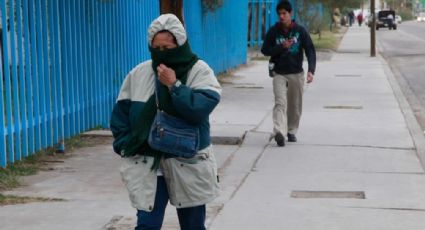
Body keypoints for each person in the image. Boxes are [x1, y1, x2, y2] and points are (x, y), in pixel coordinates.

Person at [110, 14, 221, 230]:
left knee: (193, 226)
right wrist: (125, 144)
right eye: (156, 48)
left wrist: (175, 85)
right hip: (148, 163)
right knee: (147, 226)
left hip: (188, 161)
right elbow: (120, 116)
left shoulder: (199, 71)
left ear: (179, 44)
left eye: (167, 48)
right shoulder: (139, 73)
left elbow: (199, 109)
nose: (161, 54)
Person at [261, 0, 316, 147]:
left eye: (284, 13)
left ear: (290, 14)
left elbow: (310, 49)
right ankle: (279, 131)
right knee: (280, 103)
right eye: (279, 14)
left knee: (295, 105)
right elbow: (265, 50)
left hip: (296, 73)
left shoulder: (300, 31)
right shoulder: (274, 31)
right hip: (279, 73)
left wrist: (311, 70)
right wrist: (280, 47)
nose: (281, 17)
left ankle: (291, 130)